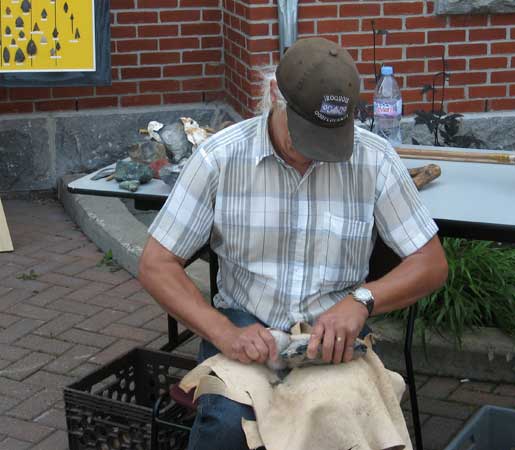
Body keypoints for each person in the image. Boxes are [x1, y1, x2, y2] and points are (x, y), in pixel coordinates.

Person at [138, 37, 448, 450]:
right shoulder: (220, 158)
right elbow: (156, 263)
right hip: (244, 324)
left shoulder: (374, 159)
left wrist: (363, 301)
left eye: (327, 138)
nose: (312, 153)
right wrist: (224, 332)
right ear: (273, 96)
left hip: (332, 337)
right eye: (302, 134)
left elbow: (431, 263)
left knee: (350, 426)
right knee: (228, 426)